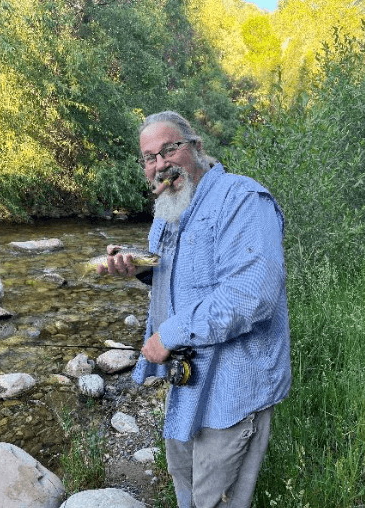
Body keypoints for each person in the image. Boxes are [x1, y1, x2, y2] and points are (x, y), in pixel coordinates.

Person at [98, 111, 291, 508]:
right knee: (185, 488)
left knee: (216, 499)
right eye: (150, 157)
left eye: (170, 150)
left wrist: (167, 335)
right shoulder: (169, 208)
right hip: (186, 383)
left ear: (197, 147)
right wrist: (138, 269)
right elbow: (176, 277)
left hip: (233, 387)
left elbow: (251, 295)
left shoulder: (244, 199)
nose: (160, 165)